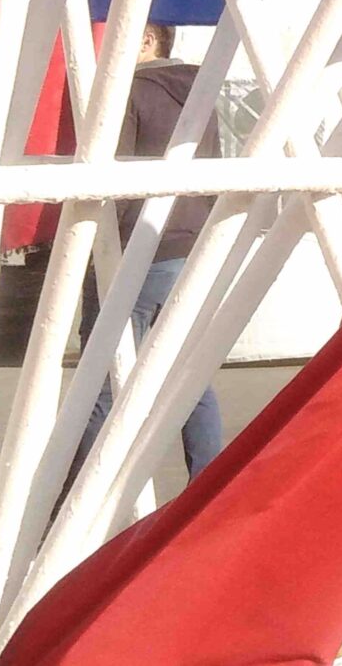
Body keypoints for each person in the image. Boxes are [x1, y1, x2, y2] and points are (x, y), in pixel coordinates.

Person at [74, 24, 222, 478]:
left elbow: (114, 184)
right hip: (190, 245)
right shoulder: (201, 93)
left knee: (102, 382)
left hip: (136, 250)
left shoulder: (130, 93)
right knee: (187, 378)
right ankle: (207, 488)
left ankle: (74, 497)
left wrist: (93, 248)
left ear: (148, 40)